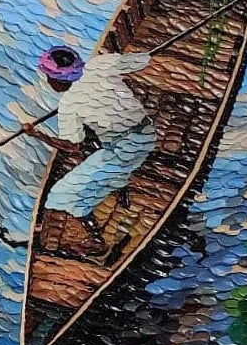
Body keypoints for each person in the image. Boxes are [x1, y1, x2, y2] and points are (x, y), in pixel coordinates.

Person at [23, 45, 156, 260]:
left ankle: (97, 241)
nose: (48, 81)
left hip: (126, 149)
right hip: (145, 132)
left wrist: (37, 134)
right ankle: (119, 185)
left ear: (58, 80)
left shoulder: (69, 104)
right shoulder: (100, 64)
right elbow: (144, 60)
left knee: (61, 194)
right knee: (100, 154)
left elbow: (72, 146)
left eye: (49, 77)